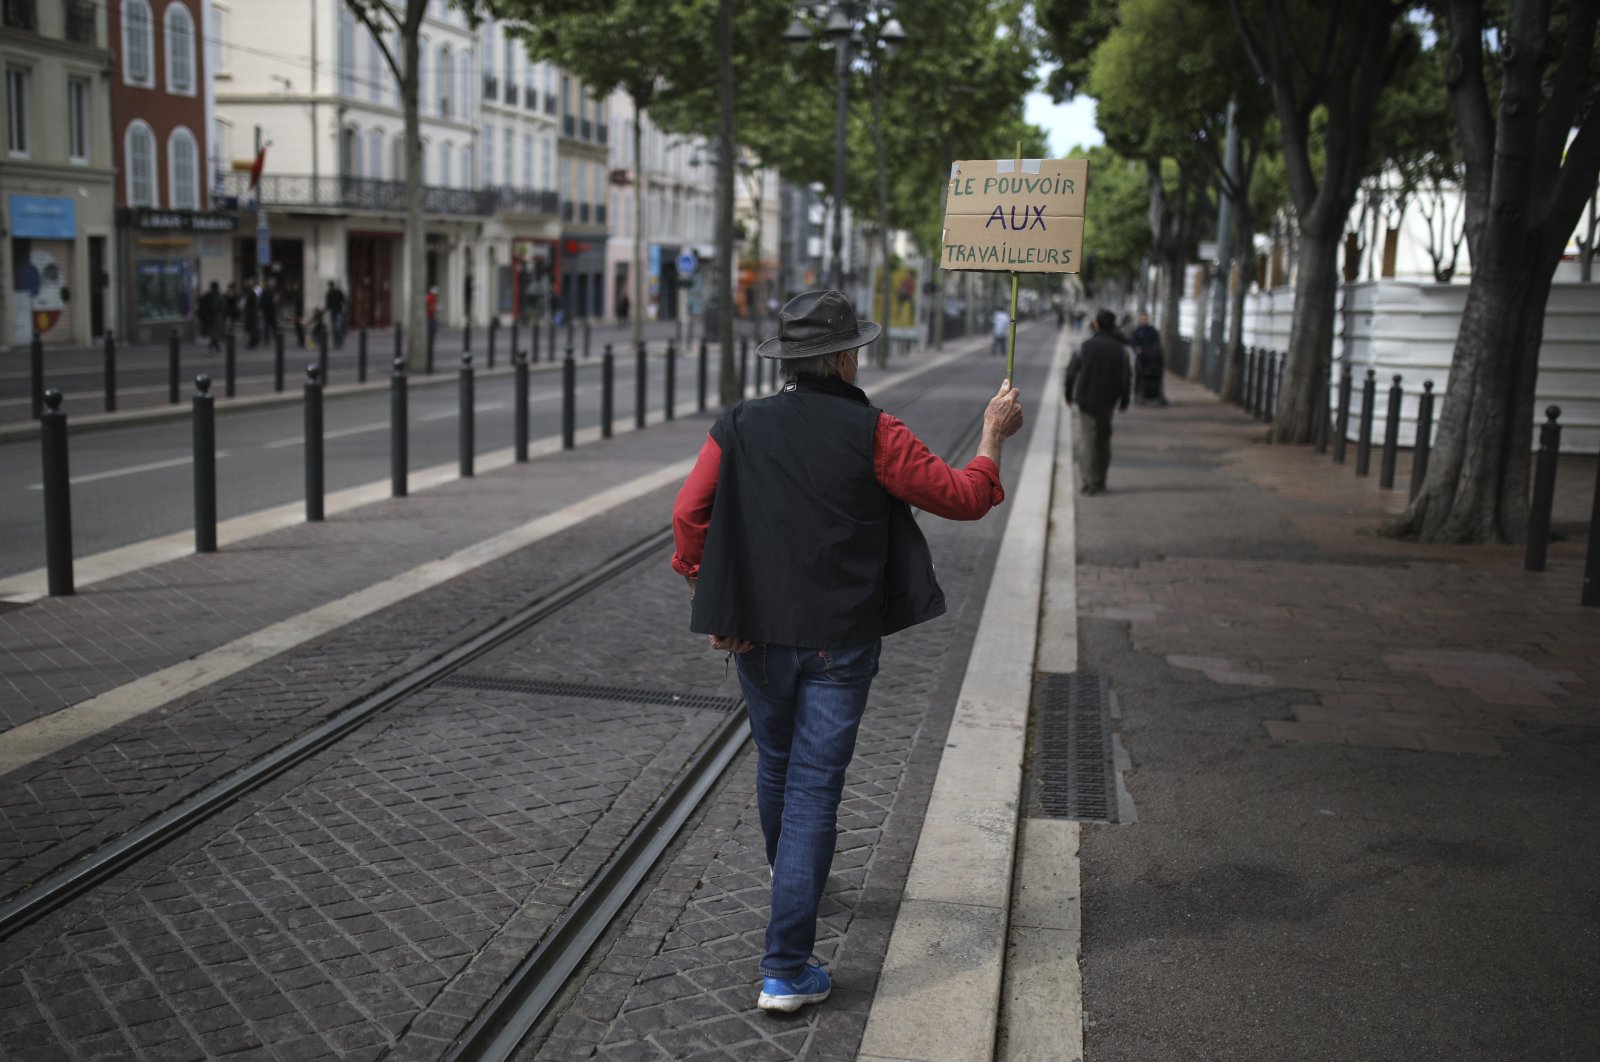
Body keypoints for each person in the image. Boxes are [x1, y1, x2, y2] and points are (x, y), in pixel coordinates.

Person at [670, 289, 1024, 1014]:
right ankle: (786, 967)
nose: (858, 358)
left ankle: (791, 884)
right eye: (854, 348)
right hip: (840, 640)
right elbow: (960, 496)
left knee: (777, 765)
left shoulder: (737, 424)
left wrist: (707, 583)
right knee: (813, 790)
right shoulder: (875, 431)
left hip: (757, 637)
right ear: (839, 358)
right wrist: (991, 437)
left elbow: (688, 513)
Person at [1063, 308, 1133, 496]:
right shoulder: (1120, 350)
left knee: (1088, 440)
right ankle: (1101, 479)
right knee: (1103, 439)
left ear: (1097, 324)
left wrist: (1068, 394)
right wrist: (1124, 399)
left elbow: (1071, 371)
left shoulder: (1085, 346)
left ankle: (1089, 481)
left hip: (1086, 399)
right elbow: (1126, 377)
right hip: (1108, 400)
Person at [1130, 311, 1167, 407]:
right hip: (1141, 358)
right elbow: (1134, 343)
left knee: (1155, 376)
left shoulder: (1153, 331)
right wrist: (1137, 350)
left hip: (1152, 358)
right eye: (1143, 319)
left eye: (1146, 319)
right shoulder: (1137, 331)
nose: (1144, 321)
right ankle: (1138, 394)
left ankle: (1155, 394)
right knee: (1139, 376)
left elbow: (1157, 343)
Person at [196, 281, 226, 356]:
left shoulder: (208, 295)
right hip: (216, 319)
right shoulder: (219, 296)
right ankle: (213, 349)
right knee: (214, 336)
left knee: (213, 336)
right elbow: (223, 308)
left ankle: (211, 350)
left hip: (211, 319)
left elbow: (201, 304)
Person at [325, 280, 347, 349]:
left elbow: (343, 301)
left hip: (339, 312)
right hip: (334, 312)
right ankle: (336, 341)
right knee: (335, 328)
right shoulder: (329, 293)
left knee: (337, 327)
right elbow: (328, 304)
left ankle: (339, 340)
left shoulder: (338, 292)